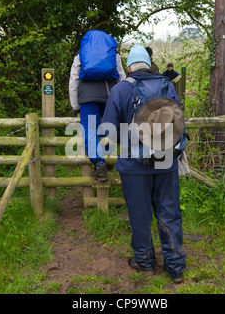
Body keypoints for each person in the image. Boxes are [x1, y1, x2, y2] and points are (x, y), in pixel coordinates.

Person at [101, 44, 186, 283]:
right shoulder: (166, 85)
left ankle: (145, 260)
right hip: (166, 159)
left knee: (140, 214)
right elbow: (178, 120)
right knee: (169, 212)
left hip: (133, 163)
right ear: (149, 64)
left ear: (129, 66)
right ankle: (175, 266)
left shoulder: (120, 89)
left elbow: (109, 131)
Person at [69, 32, 126, 181]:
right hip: (110, 96)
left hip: (87, 99)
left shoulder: (80, 54)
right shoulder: (114, 54)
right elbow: (122, 78)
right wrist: (122, 102)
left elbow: (73, 81)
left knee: (90, 130)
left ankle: (99, 162)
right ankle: (109, 158)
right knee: (109, 127)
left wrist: (75, 107)